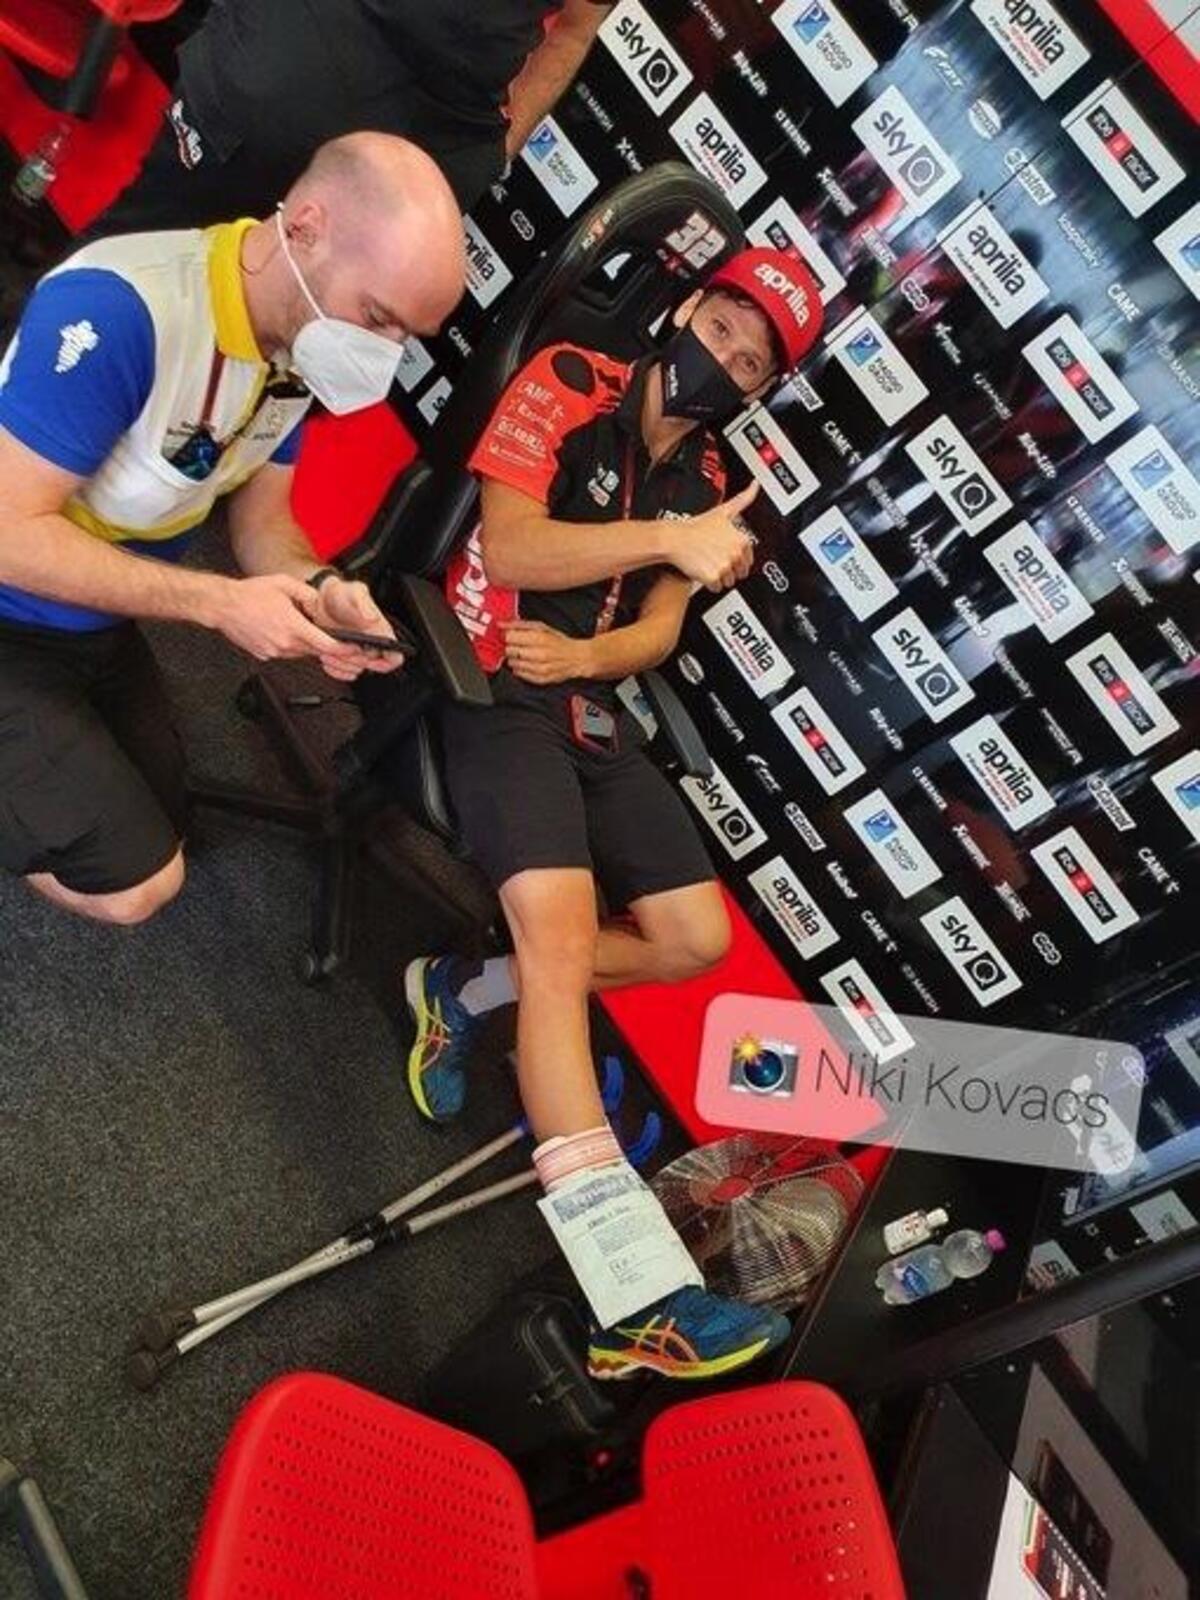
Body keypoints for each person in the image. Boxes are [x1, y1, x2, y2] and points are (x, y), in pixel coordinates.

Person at [402, 248, 824, 1379]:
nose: (727, 358)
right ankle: (635, 1295)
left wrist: (596, 652)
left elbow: (660, 632)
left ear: (760, 387)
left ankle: (461, 989)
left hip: (582, 692)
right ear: (689, 306)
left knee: (694, 937)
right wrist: (667, 540)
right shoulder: (569, 378)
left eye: (753, 361)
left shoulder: (712, 475)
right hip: (492, 673)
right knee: (560, 945)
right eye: (725, 326)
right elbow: (512, 545)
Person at [0, 132, 465, 926]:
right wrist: (217, 604)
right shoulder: (125, 310)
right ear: (306, 227)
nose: (382, 353)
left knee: (167, 821)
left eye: (405, 338)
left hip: (93, 627)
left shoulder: (292, 347)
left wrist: (320, 589)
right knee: (136, 886)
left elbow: (264, 522)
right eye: (378, 318)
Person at [96, 0, 613, 232]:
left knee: (261, 371)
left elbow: (575, 30)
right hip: (281, 76)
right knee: (130, 268)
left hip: (422, 151)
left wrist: (497, 151)